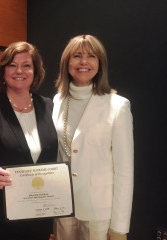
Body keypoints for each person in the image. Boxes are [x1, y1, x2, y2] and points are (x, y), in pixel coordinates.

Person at [0, 41, 58, 240]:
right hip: (0, 213)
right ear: (3, 70)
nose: (19, 71)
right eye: (12, 65)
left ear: (35, 71)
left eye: (26, 65)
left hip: (39, 211)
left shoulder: (48, 106)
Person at [52, 34, 134, 240]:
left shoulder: (118, 106)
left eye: (91, 56)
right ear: (66, 63)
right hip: (63, 207)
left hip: (100, 212)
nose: (83, 62)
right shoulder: (56, 101)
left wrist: (119, 227)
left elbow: (124, 172)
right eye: (77, 56)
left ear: (100, 64)